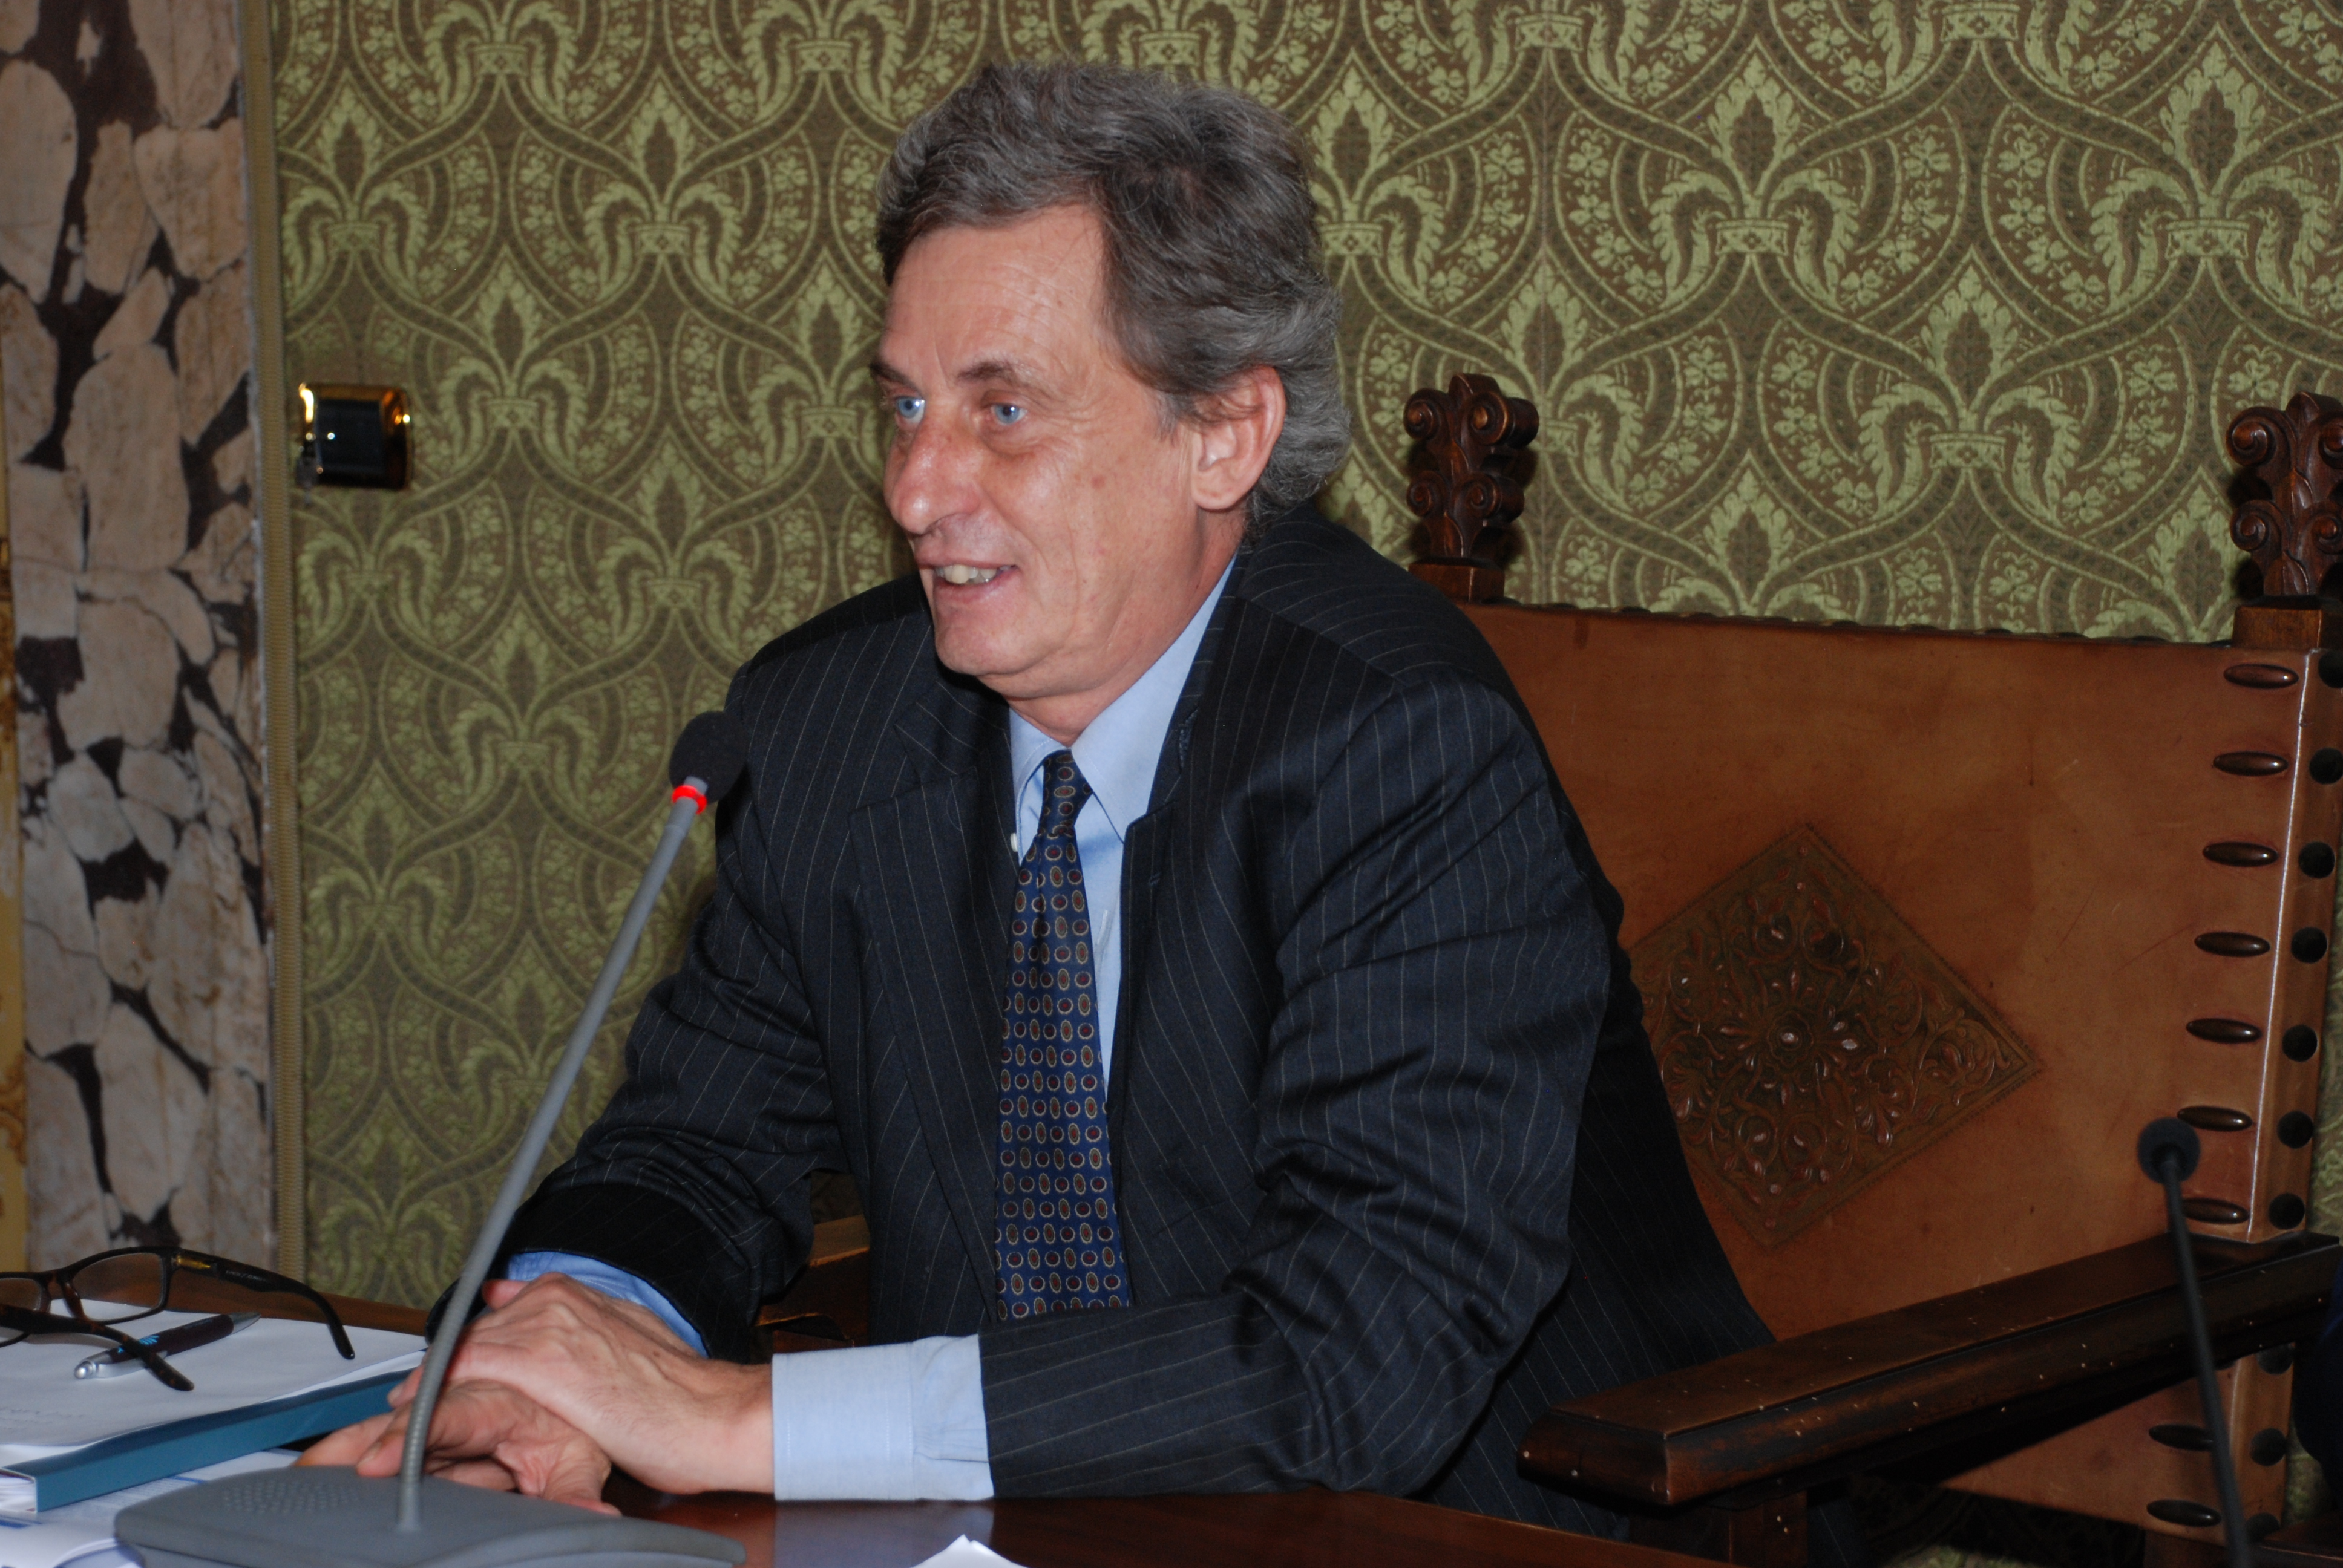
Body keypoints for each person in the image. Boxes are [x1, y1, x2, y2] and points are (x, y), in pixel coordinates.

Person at [308, 59, 1810, 1544]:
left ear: (1222, 434)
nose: (915, 491)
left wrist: (732, 1422)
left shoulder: (1401, 748)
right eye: (904, 407)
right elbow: (692, 1150)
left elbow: (1358, 1357)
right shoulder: (823, 727)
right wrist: (557, 1358)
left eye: (1004, 410)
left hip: (1473, 1533)